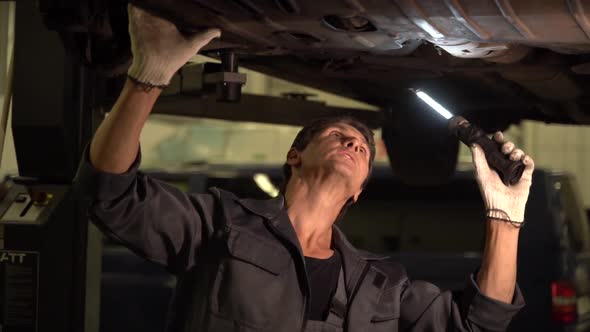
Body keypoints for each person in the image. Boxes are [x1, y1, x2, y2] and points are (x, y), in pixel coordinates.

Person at [75, 4, 535, 332]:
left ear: (360, 191)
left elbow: (478, 323)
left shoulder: (383, 285)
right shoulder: (221, 225)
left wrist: (506, 218)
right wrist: (147, 77)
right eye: (337, 135)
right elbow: (111, 194)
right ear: (294, 156)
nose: (354, 141)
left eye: (362, 146)